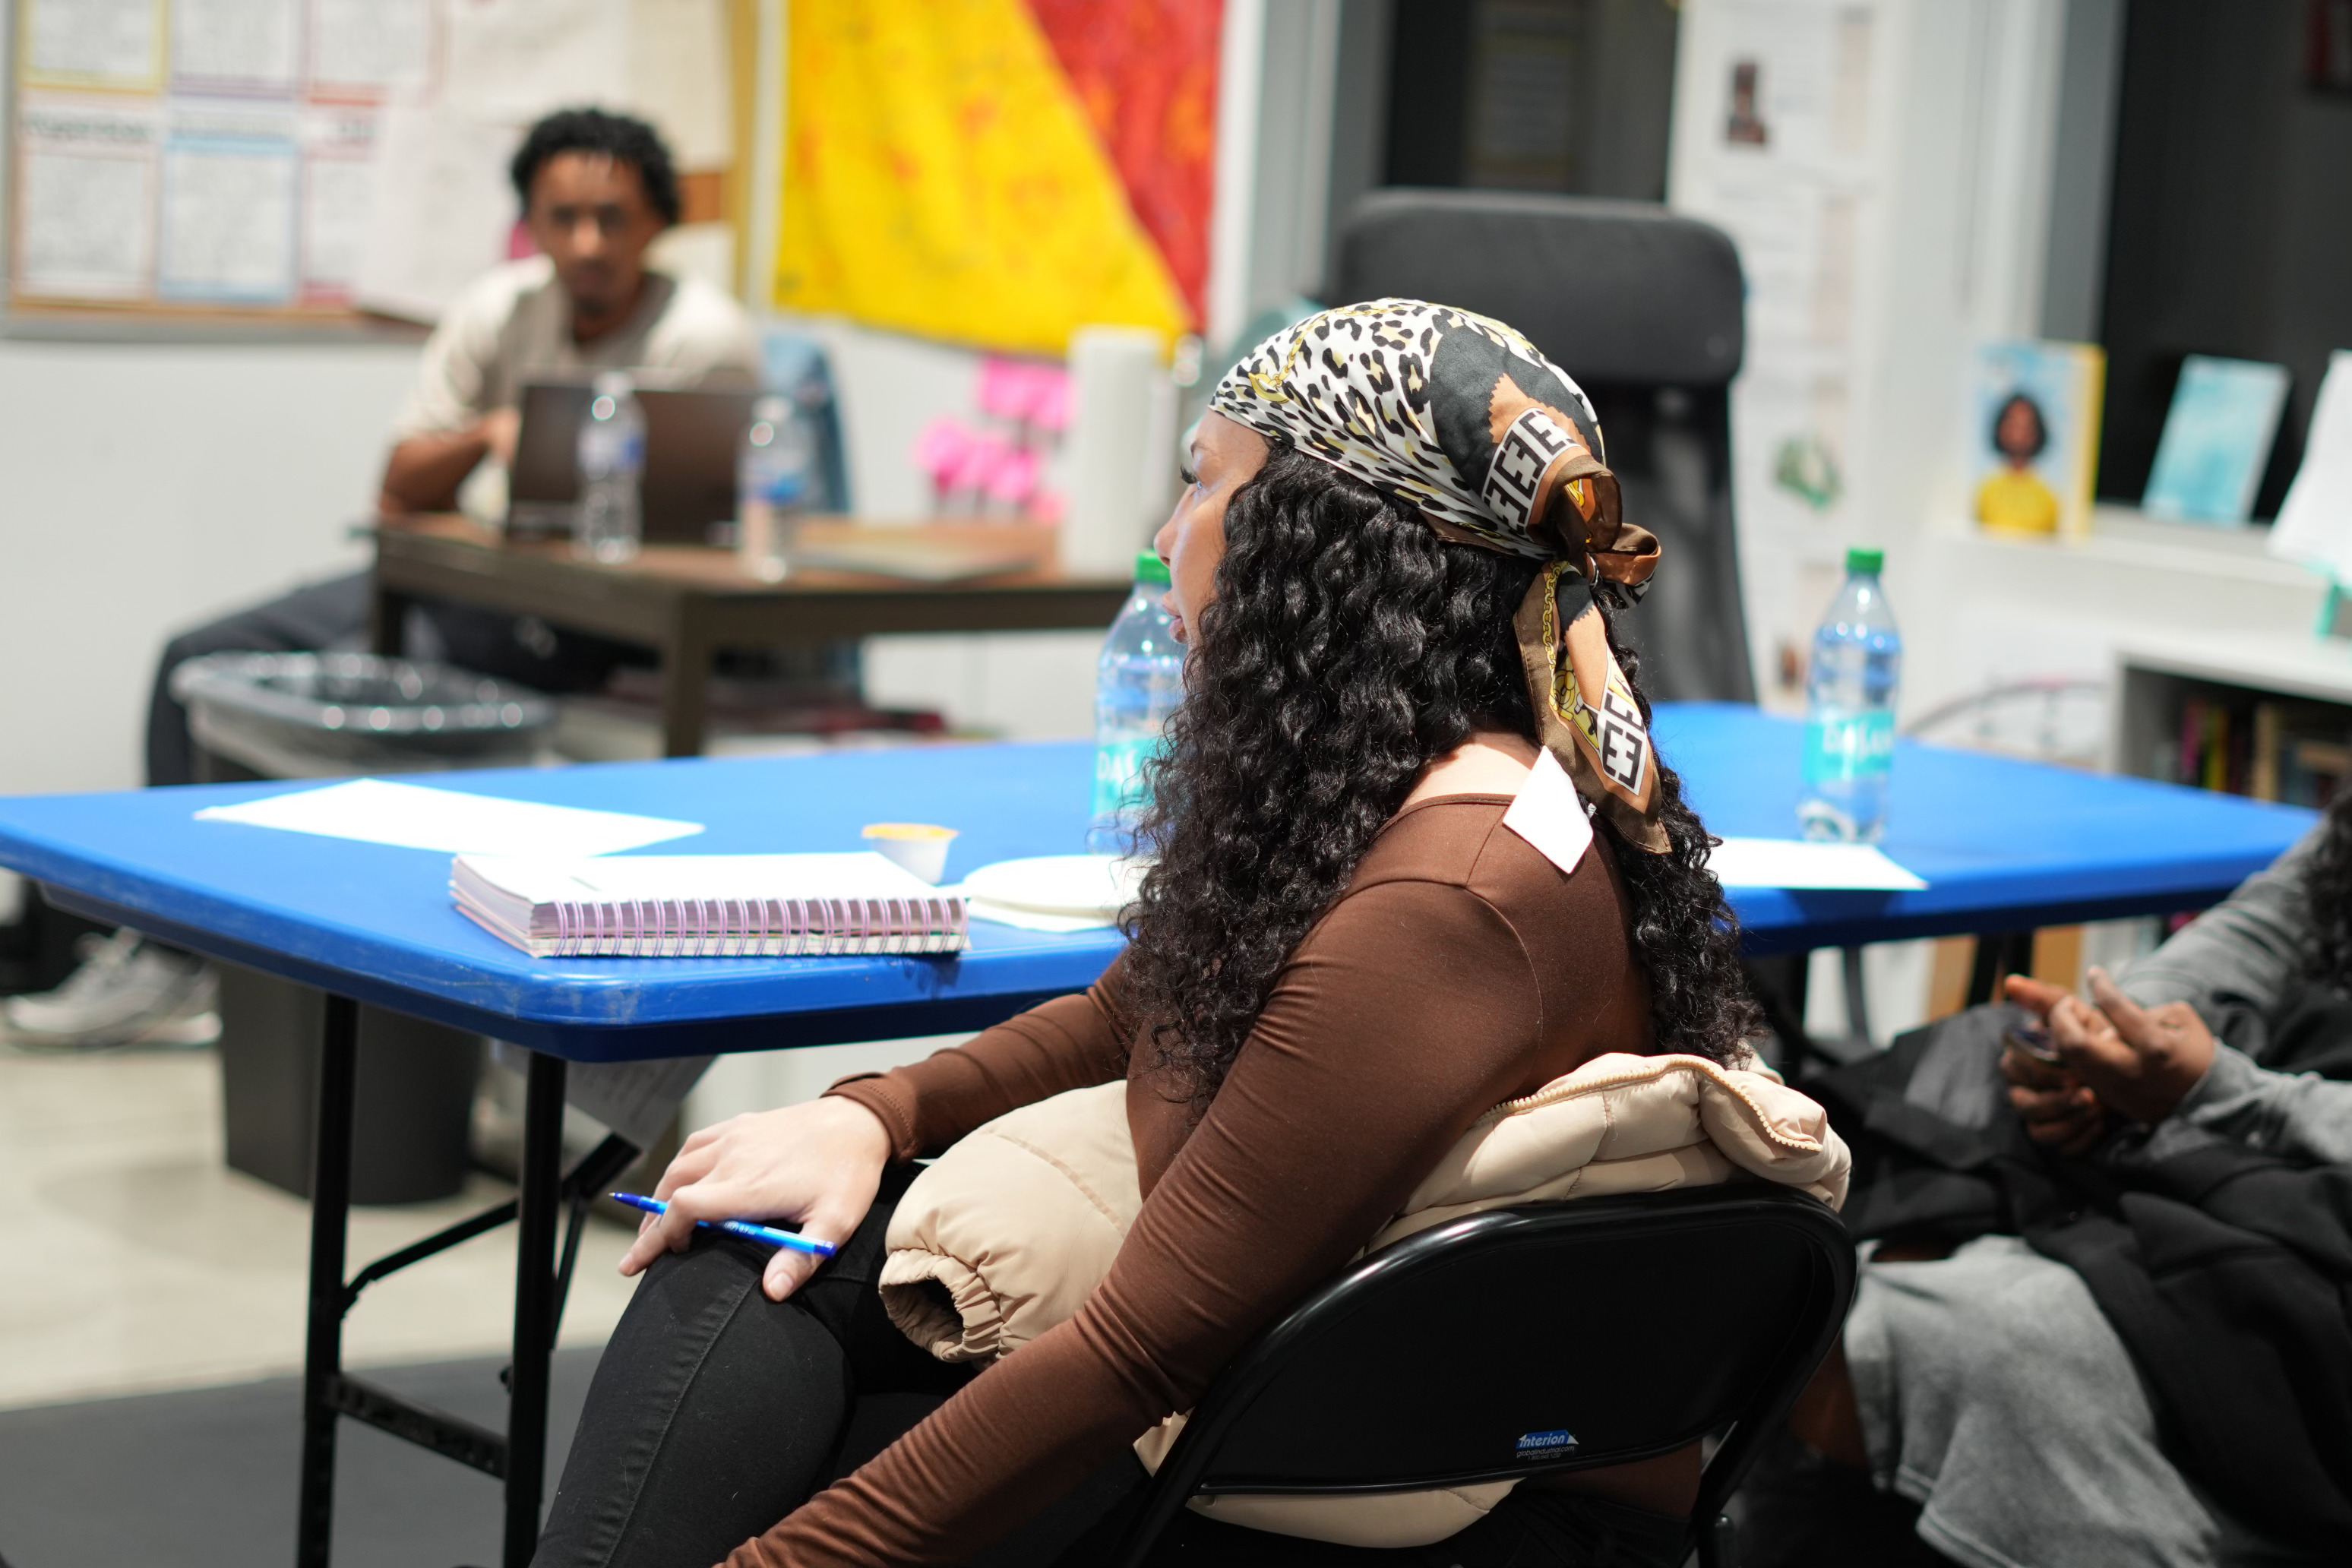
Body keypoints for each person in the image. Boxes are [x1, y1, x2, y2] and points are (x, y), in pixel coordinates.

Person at [532, 301, 1768, 1568]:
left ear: (1316, 545)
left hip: (1431, 1483)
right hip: (1337, 1405)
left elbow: (1142, 1351)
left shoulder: (1447, 899)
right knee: (763, 1245)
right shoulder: (1424, 777)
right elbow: (1135, 1010)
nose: (1170, 536)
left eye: (1201, 485)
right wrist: (874, 1110)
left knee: (807, 1404)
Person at [3, 107, 760, 1052]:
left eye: (612, 218)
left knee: (384, 686)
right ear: (531, 221)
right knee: (197, 655)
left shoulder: (703, 335)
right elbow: (399, 488)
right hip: (461, 580)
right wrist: (491, 434)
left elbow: (690, 530)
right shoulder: (501, 309)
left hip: (578, 623)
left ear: (657, 223)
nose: (587, 243)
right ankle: (170, 960)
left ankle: (365, 987)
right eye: (562, 218)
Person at [1754, 814, 2352, 1568]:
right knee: (1814, 1241)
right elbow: (2249, 933)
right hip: (2234, 1157)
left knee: (1940, 1329)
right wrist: (2108, 1043)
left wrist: (2219, 1091)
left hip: (2292, 1215)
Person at [1973, 391, 2062, 536]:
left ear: (2036, 432)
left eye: (2026, 425)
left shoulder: (2048, 498)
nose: (2019, 432)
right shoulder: (1986, 491)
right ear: (2001, 429)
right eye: (2013, 423)